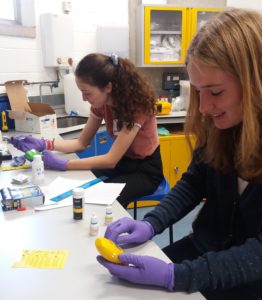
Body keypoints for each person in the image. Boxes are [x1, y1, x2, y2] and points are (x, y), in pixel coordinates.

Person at [96, 8, 262, 300]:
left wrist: (177, 276)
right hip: (203, 249)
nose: (204, 108)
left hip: (249, 279)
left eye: (215, 92)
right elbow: (193, 182)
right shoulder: (220, 127)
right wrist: (152, 222)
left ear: (255, 82)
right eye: (198, 92)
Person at [9, 53, 164, 208]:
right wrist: (44, 144)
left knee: (103, 197)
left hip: (146, 170)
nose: (83, 98)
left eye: (87, 93)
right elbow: (81, 143)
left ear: (108, 87)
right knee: (79, 182)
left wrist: (64, 164)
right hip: (124, 162)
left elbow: (110, 160)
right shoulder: (101, 105)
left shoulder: (137, 108)